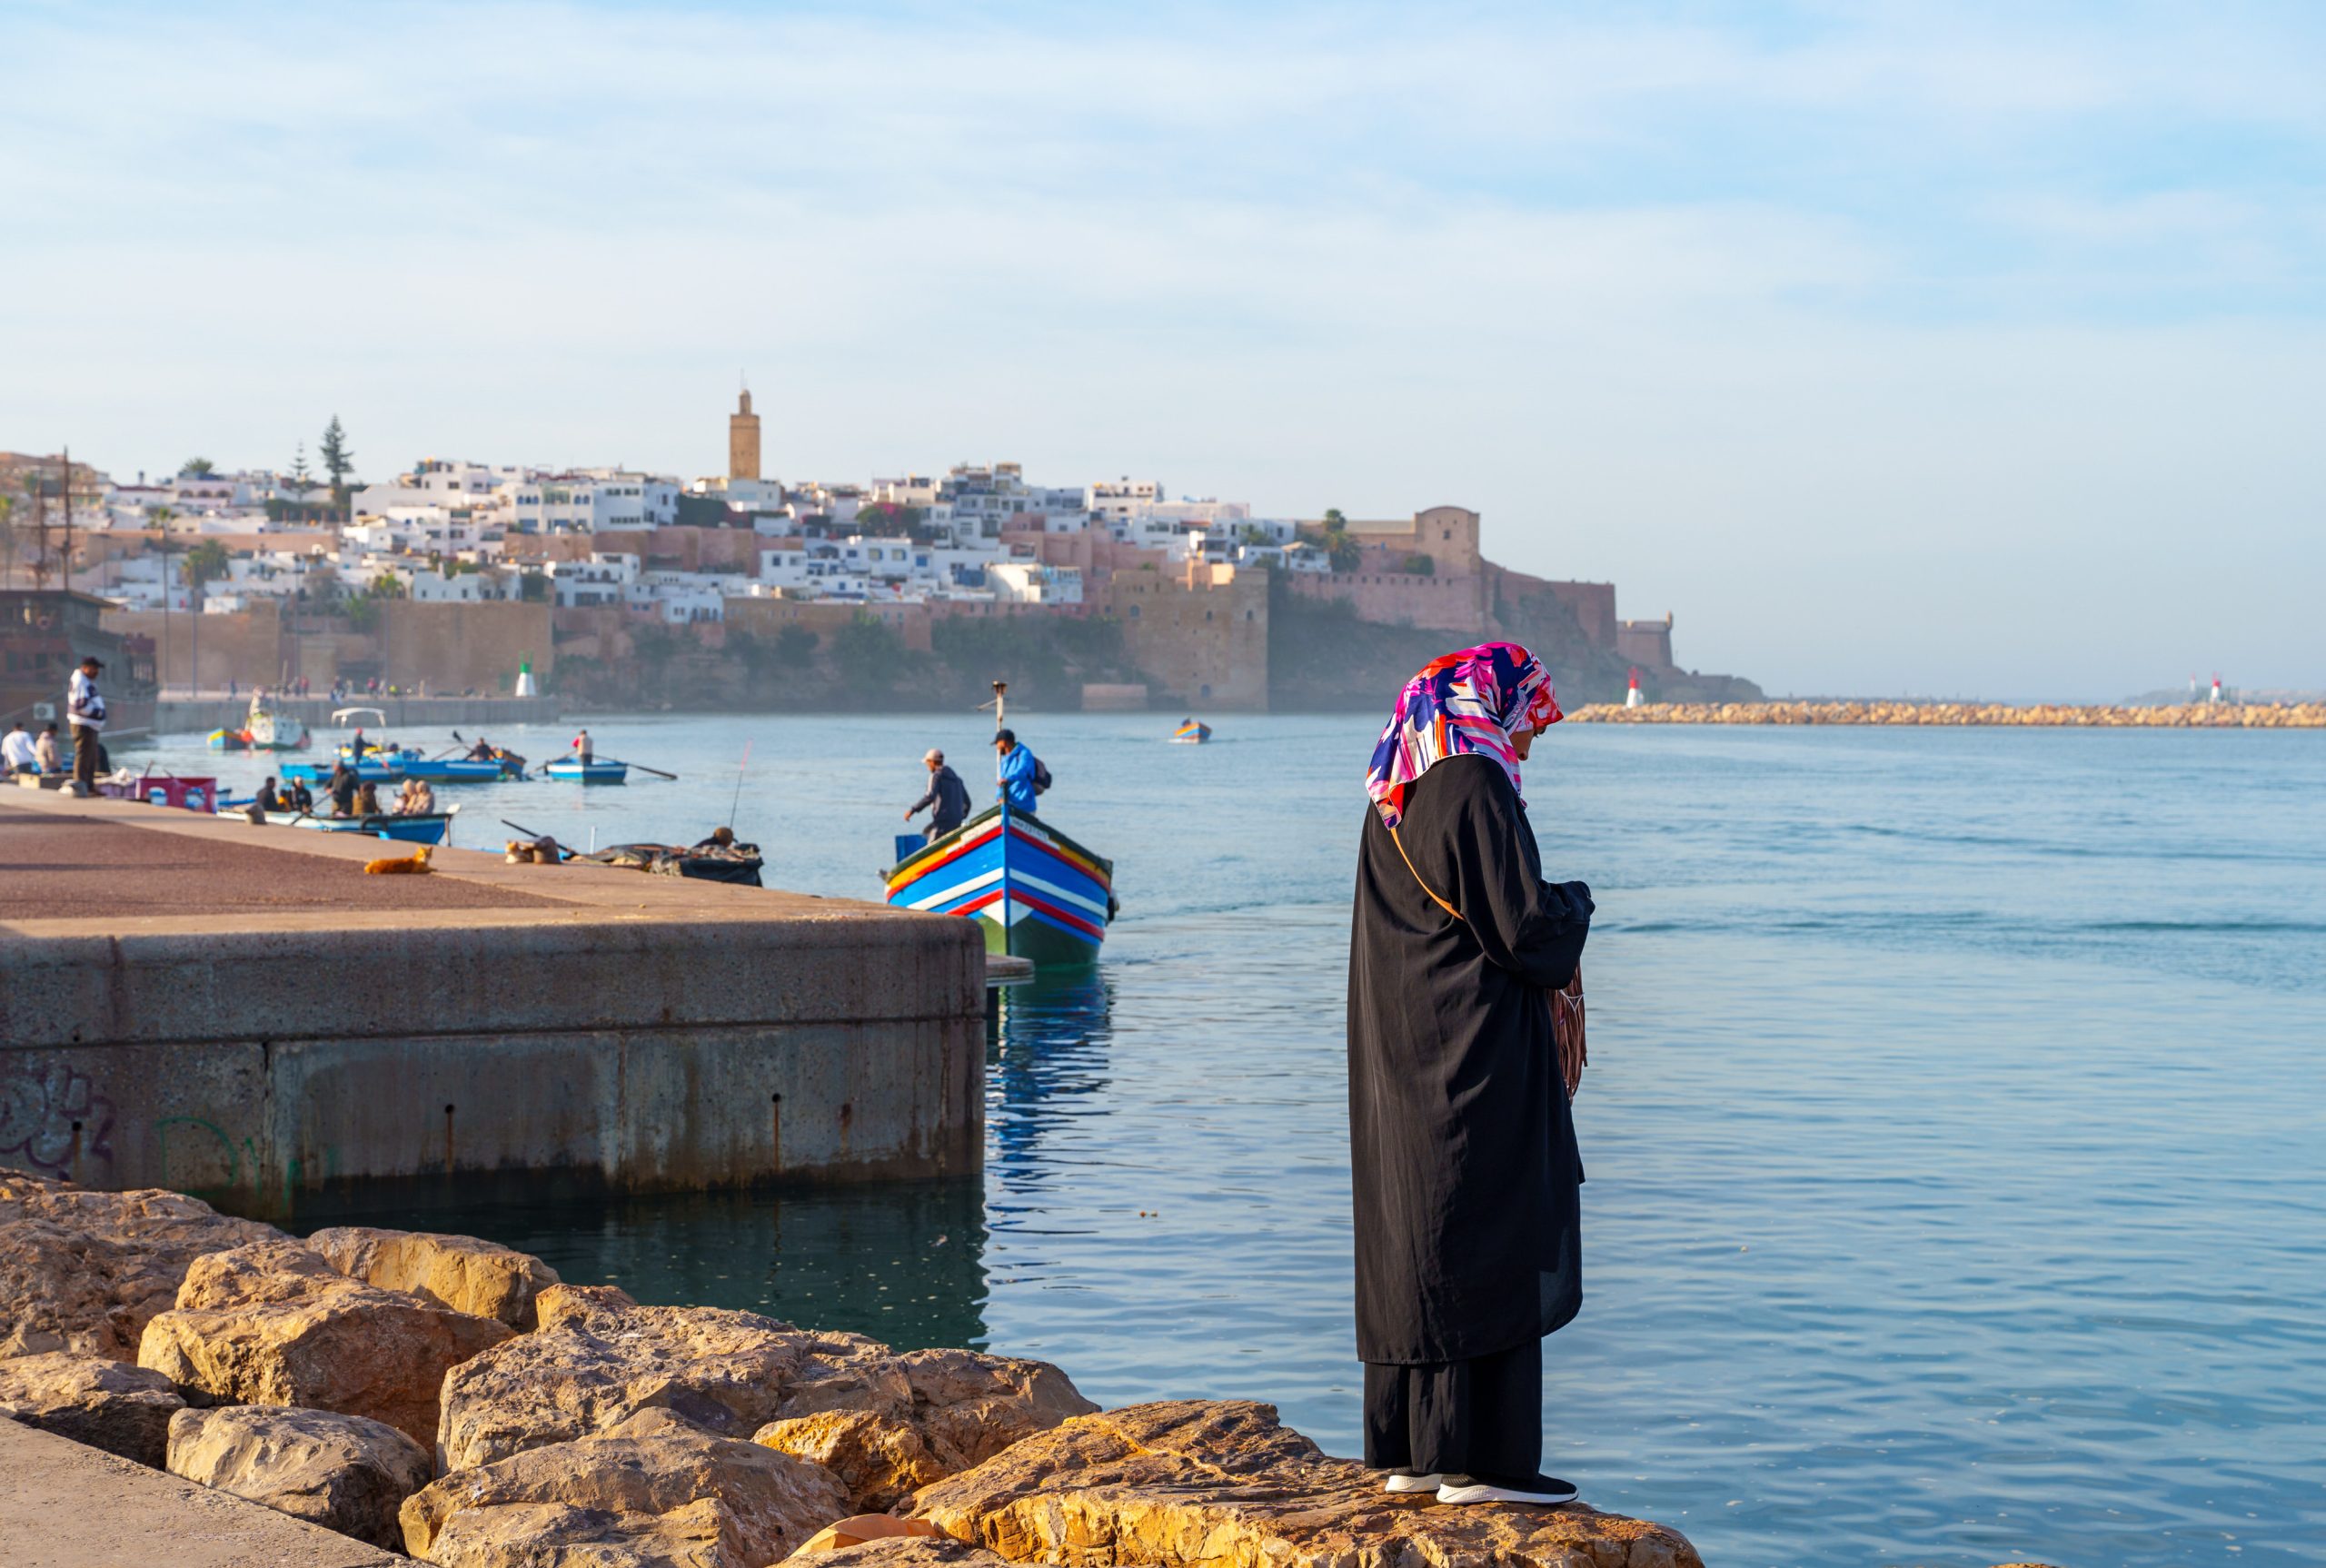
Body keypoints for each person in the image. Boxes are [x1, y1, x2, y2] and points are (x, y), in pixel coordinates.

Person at [1347, 641, 1594, 1508]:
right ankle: (1482, 1465)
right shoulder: (1476, 784)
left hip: (1402, 1051)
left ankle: (1409, 1452)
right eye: (1528, 721)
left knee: (1417, 1229)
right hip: (1473, 1052)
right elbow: (1524, 931)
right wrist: (1577, 901)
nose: (1528, 743)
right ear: (1490, 704)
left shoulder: (1395, 790)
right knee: (1485, 1227)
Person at [906, 749, 971, 842]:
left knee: (930, 849)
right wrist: (961, 816)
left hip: (942, 823)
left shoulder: (936, 776)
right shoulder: (957, 779)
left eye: (927, 763)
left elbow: (930, 796)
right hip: (957, 822)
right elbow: (968, 803)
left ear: (932, 762)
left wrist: (913, 810)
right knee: (927, 832)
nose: (927, 766)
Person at [66, 654, 107, 794]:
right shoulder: (80, 681)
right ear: (85, 668)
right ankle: (81, 785)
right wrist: (99, 713)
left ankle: (88, 785)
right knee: (84, 755)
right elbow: (80, 705)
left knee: (91, 756)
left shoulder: (85, 681)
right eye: (94, 669)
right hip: (83, 724)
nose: (96, 672)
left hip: (90, 725)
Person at [993, 729, 1048, 814]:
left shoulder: (1024, 753)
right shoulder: (1005, 759)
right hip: (1009, 804)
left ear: (1003, 742)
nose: (997, 747)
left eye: (997, 743)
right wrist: (999, 797)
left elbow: (1022, 771)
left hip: (1025, 805)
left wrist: (1008, 779)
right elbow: (1001, 780)